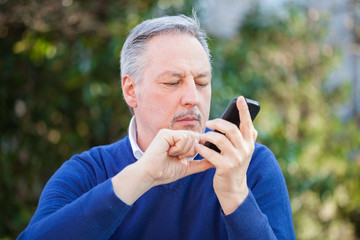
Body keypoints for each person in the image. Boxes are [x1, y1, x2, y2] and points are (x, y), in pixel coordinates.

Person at [18, 14, 296, 240]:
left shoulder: (250, 166)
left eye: (201, 82)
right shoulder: (88, 172)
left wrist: (236, 196)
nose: (192, 98)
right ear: (131, 90)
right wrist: (141, 176)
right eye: (172, 82)